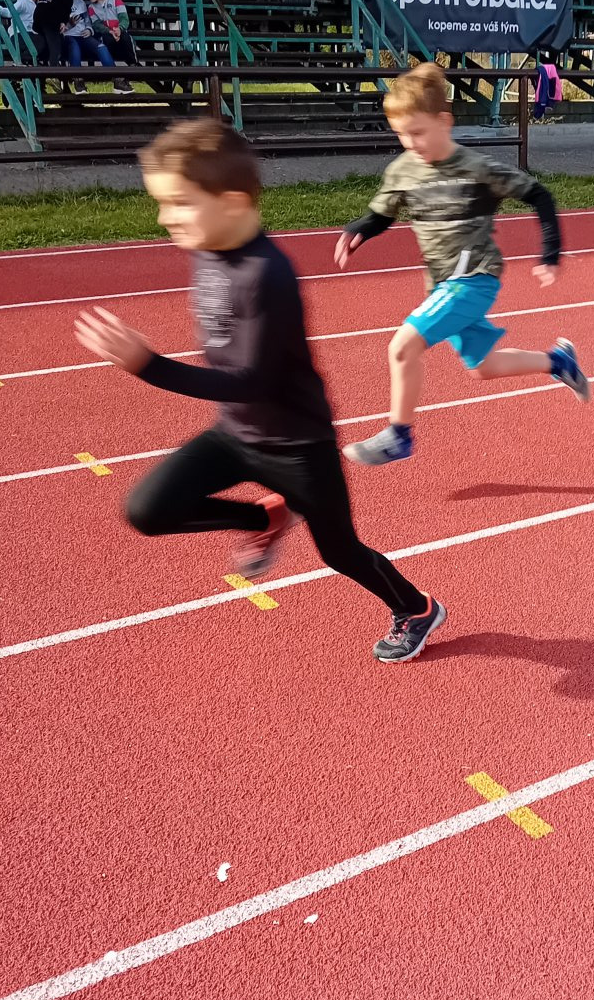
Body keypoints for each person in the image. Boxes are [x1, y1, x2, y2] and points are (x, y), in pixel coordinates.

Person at [72, 120, 446, 664]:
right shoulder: (208, 246)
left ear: (232, 202)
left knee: (340, 552)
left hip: (299, 447)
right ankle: (266, 518)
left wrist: (149, 366)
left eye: (179, 203)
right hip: (236, 434)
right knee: (149, 510)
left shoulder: (266, 274)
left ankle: (416, 608)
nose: (165, 218)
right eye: (163, 203)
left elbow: (254, 381)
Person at [333, 62, 588, 466]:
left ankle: (399, 435)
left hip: (474, 278)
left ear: (444, 121)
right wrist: (360, 229)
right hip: (440, 284)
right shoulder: (403, 171)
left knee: (402, 347)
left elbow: (539, 195)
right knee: (483, 367)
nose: (410, 142)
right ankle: (558, 362)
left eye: (418, 132)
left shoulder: (476, 168)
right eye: (401, 134)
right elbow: (382, 215)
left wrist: (550, 254)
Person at [55, 0, 114, 93]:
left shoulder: (80, 3)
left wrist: (89, 29)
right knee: (74, 48)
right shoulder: (55, 5)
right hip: (68, 37)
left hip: (83, 35)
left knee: (101, 47)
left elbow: (87, 20)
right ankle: (78, 81)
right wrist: (69, 24)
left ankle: (118, 78)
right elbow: (57, 28)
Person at [81, 0, 137, 93]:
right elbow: (96, 25)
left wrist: (119, 29)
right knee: (106, 39)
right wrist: (109, 31)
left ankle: (133, 65)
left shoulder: (116, 0)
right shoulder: (91, 8)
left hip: (120, 35)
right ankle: (117, 78)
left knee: (126, 37)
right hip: (108, 38)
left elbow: (124, 18)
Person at [31, 0, 74, 85]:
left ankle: (36, 61)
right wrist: (63, 21)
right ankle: (53, 70)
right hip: (51, 21)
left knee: (45, 41)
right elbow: (66, 9)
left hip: (37, 20)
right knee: (55, 44)